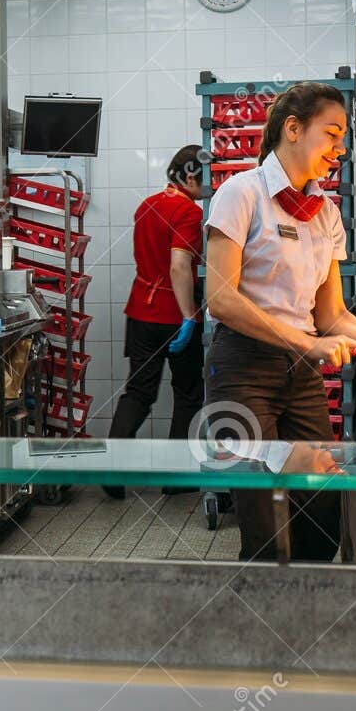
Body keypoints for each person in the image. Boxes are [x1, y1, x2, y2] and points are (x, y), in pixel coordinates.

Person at [204, 82, 356, 562]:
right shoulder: (239, 194)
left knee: (321, 507)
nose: (340, 148)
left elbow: (331, 316)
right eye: (331, 133)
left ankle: (308, 616)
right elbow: (220, 299)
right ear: (292, 129)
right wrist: (305, 344)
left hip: (300, 374)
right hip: (244, 369)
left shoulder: (325, 213)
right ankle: (263, 622)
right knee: (265, 520)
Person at [105, 145, 206, 500]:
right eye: (205, 181)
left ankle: (112, 471)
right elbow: (179, 266)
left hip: (140, 312)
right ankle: (177, 478)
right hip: (173, 315)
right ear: (191, 176)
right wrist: (189, 316)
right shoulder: (188, 212)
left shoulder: (147, 205)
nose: (208, 190)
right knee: (189, 394)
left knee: (139, 392)